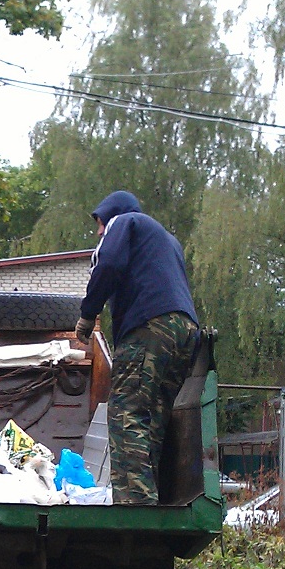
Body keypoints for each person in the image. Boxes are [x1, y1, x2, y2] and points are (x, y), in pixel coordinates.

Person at [74, 190, 202, 505]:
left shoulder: (125, 222)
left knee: (125, 412)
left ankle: (135, 508)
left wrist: (89, 313)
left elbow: (109, 264)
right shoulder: (167, 241)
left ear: (111, 214)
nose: (99, 232)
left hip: (149, 327)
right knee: (151, 419)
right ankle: (150, 500)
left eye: (100, 224)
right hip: (185, 332)